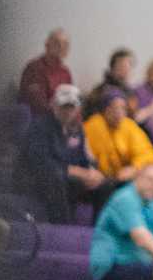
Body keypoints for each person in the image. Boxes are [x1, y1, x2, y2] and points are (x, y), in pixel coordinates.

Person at [18, 81, 102, 222]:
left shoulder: (77, 129)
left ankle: (100, 228)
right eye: (64, 106)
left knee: (105, 183)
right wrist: (77, 171)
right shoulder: (39, 127)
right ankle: (62, 225)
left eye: (72, 107)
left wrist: (91, 171)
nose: (68, 111)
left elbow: (83, 158)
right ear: (53, 105)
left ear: (77, 108)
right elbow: (41, 164)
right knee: (56, 176)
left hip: (66, 178)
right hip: (37, 179)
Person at [83, 90, 153, 190]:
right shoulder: (93, 126)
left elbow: (148, 154)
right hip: (101, 179)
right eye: (115, 108)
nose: (119, 112)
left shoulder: (129, 126)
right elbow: (88, 158)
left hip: (124, 178)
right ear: (105, 109)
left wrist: (134, 168)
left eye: (123, 108)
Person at [16, 27, 72, 117]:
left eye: (65, 44)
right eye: (57, 43)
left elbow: (71, 100)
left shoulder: (65, 72)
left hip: (61, 119)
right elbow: (38, 105)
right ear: (47, 44)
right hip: (40, 119)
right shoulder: (34, 68)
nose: (61, 47)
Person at [90, 47, 137, 116]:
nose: (127, 69)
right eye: (122, 66)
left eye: (130, 65)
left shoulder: (130, 91)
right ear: (113, 68)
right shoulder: (102, 91)